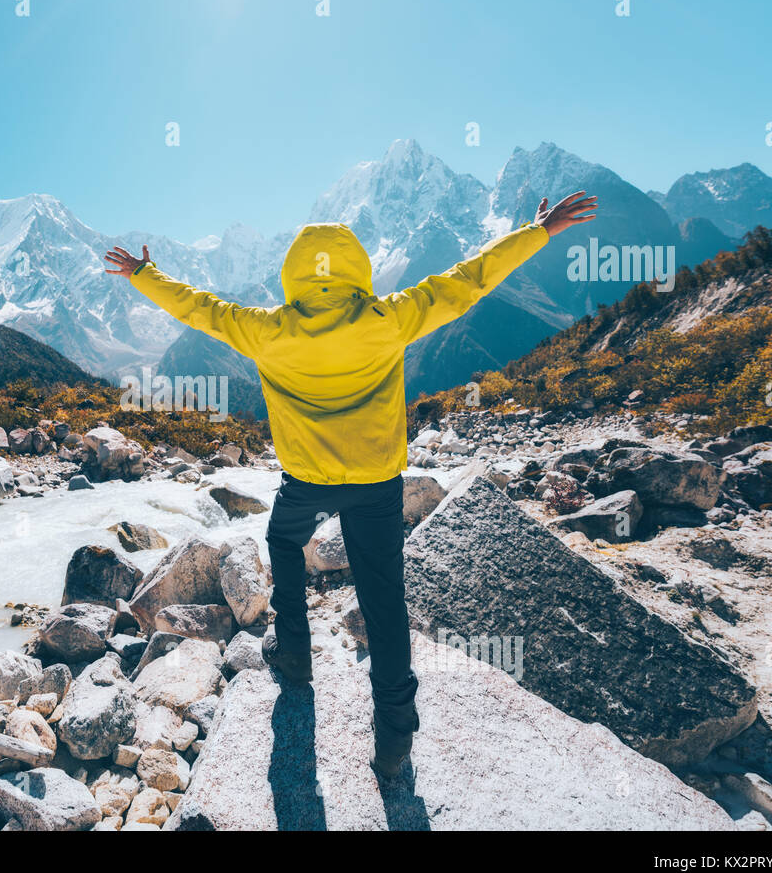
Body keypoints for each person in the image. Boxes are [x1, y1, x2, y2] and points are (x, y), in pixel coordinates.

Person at [104, 191, 597, 778]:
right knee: (384, 601)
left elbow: (197, 307)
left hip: (306, 480)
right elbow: (470, 279)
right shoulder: (389, 317)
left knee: (284, 543)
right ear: (357, 269)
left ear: (293, 274)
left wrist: (144, 274)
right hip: (376, 483)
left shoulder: (265, 329)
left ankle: (293, 651)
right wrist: (536, 232)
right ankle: (394, 739)